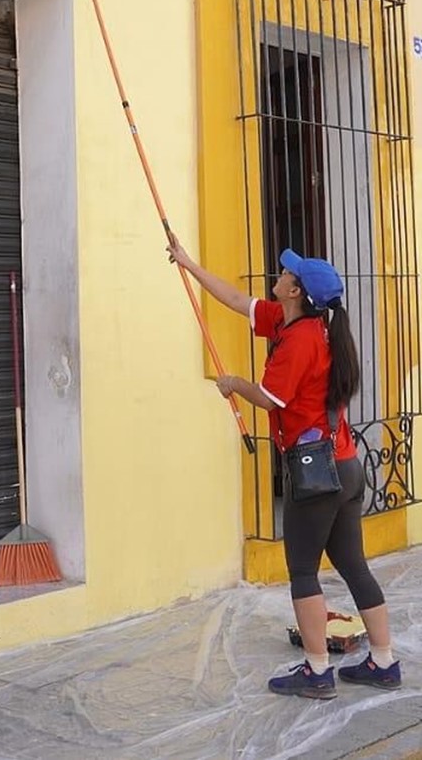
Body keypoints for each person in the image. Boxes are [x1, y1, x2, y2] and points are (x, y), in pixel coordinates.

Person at [169, 237, 399, 699]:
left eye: (288, 273)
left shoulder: (300, 341)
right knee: (353, 564)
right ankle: (384, 661)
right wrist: (188, 262)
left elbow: (272, 398)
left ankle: (317, 671)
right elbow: (235, 300)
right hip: (346, 464)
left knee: (302, 571)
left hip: (317, 475)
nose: (281, 273)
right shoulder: (301, 323)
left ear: (296, 291)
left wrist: (233, 383)